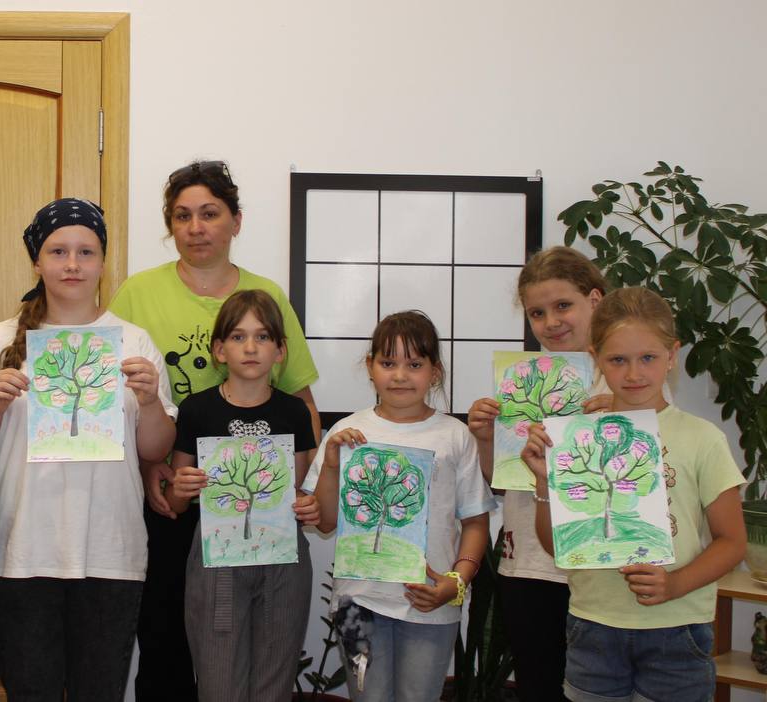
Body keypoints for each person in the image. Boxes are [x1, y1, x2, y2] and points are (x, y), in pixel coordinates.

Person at [108, 160, 320, 698]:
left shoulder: (266, 294)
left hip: (254, 509)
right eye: (182, 216)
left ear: (236, 221)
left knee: (255, 645)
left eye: (209, 214)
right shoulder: (137, 292)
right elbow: (111, 400)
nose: (196, 227)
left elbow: (300, 400)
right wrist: (152, 466)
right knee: (164, 636)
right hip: (169, 495)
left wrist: (301, 488)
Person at [0, 198, 176, 700]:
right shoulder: (1, 339)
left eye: (87, 251)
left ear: (103, 262)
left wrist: (149, 401)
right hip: (20, 551)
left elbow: (155, 448)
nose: (73, 264)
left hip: (110, 551)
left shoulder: (133, 341)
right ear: (37, 262)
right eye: (58, 251)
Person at [520, 287, 746, 702]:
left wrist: (675, 584)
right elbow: (558, 548)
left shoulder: (703, 438)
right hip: (593, 623)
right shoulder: (575, 437)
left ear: (672, 354)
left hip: (678, 628)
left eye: (648, 358)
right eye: (618, 360)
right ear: (596, 358)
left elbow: (732, 541)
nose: (634, 374)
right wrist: (544, 484)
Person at [308, 310, 494, 702]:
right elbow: (324, 522)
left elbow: (476, 522)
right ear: (370, 367)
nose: (400, 375)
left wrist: (457, 582)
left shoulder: (455, 435)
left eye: (414, 364)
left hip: (429, 600)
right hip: (358, 602)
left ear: (434, 372)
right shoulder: (345, 433)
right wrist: (332, 465)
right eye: (388, 363)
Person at [464, 246, 609, 701]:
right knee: (539, 684)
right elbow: (501, 478)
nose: (551, 322)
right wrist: (486, 438)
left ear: (595, 300)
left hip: (601, 564)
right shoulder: (523, 380)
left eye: (563, 305)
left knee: (600, 686)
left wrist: (624, 414)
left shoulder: (628, 376)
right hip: (528, 559)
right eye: (537, 313)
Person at [163, 290, 319, 700]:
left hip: (282, 556)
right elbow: (176, 501)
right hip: (217, 558)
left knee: (274, 683)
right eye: (237, 336)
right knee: (218, 682)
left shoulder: (294, 412)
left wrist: (308, 505)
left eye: (263, 336)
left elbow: (298, 491)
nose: (251, 347)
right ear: (219, 350)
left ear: (280, 350)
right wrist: (179, 488)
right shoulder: (196, 410)